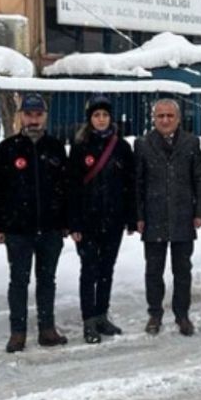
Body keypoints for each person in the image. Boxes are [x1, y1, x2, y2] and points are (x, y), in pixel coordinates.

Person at [0, 93, 70, 352]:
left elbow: (65, 187)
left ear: (45, 116)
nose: (33, 120)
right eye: (28, 114)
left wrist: (64, 222)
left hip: (50, 229)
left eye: (38, 115)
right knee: (19, 281)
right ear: (20, 116)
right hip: (18, 230)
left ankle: (47, 329)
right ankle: (18, 332)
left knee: (47, 279)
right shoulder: (6, 149)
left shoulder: (56, 147)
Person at [135, 98, 201, 336]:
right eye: (160, 116)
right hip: (153, 216)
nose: (165, 120)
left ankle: (182, 315)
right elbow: (138, 183)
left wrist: (200, 212)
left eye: (170, 116)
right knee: (153, 270)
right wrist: (138, 215)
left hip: (183, 216)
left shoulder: (191, 142)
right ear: (153, 118)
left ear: (178, 118)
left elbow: (199, 178)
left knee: (182, 270)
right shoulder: (143, 144)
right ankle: (155, 314)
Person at [67, 94, 136, 344]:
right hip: (87, 222)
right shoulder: (80, 145)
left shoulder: (122, 147)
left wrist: (130, 217)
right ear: (90, 119)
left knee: (107, 269)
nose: (101, 119)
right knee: (89, 270)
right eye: (96, 115)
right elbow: (72, 187)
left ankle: (101, 315)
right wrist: (73, 222)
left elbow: (130, 185)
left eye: (105, 115)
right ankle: (88, 321)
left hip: (113, 220)